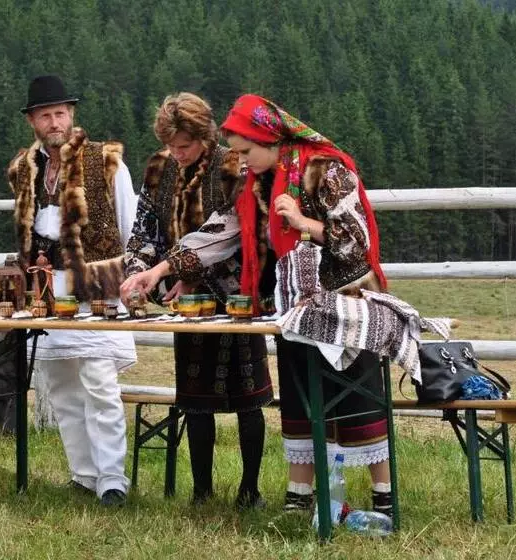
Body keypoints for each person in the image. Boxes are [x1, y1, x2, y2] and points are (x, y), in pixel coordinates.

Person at [124, 94, 394, 518]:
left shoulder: (324, 168)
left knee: (356, 401)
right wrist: (159, 270)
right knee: (302, 399)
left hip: (348, 305)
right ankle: (300, 501)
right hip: (295, 307)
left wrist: (306, 224)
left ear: (270, 139)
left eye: (247, 151)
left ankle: (384, 500)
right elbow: (221, 232)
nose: (242, 160)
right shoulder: (257, 184)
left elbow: (357, 241)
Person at [120, 93, 274, 509]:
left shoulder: (233, 166)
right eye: (171, 145)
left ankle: (250, 490)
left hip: (236, 296)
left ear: (203, 137)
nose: (177, 153)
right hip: (184, 303)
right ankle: (201, 491)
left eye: (184, 146)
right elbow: (144, 230)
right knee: (195, 396)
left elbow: (230, 236)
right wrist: (137, 272)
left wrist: (183, 273)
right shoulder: (158, 168)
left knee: (248, 397)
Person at [7, 75, 137, 507]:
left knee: (99, 381)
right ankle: (83, 474)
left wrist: (128, 278)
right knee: (60, 384)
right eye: (45, 114)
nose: (54, 121)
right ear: (32, 121)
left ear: (72, 114)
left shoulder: (106, 161)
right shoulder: (23, 168)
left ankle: (112, 479)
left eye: (61, 112)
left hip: (94, 287)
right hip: (44, 290)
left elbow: (129, 224)